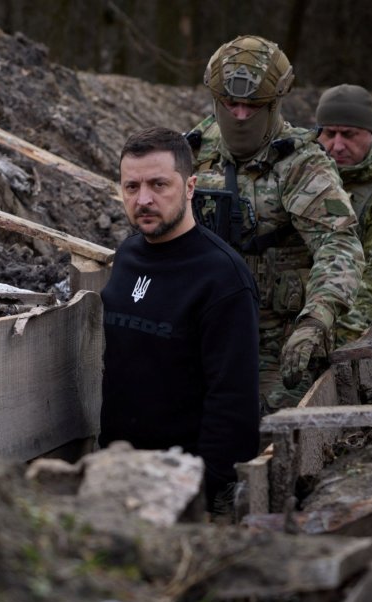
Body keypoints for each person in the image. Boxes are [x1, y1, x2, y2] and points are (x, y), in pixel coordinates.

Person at [186, 35, 364, 413]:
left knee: (265, 434)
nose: (239, 115)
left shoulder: (301, 163)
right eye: (230, 104)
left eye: (252, 105)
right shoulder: (197, 150)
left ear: (274, 103)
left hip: (276, 340)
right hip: (204, 327)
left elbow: (339, 244)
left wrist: (316, 320)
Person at [98, 126, 260, 513]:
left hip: (184, 487)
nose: (144, 199)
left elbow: (234, 400)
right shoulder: (127, 256)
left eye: (158, 184)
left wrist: (202, 493)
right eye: (131, 187)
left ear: (190, 187)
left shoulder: (222, 278)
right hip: (118, 473)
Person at [315, 84, 372, 345]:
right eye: (329, 134)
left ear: (369, 133)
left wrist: (330, 339)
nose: (338, 145)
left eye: (348, 134)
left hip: (352, 323)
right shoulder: (302, 178)